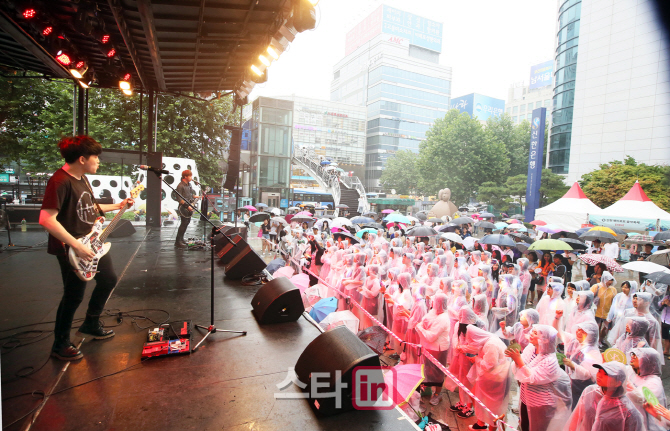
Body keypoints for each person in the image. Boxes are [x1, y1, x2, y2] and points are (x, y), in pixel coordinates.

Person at [39, 136, 135, 360]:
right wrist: (76, 246)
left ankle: (91, 322)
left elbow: (90, 207)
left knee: (109, 279)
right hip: (72, 248)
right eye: (96, 158)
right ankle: (60, 343)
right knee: (73, 295)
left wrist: (118, 206)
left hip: (92, 243)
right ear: (82, 159)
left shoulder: (81, 178)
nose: (98, 162)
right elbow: (46, 219)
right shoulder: (60, 181)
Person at [506, 324, 572, 431]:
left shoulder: (550, 361)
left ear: (545, 340)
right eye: (532, 331)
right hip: (526, 397)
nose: (531, 333)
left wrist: (518, 360)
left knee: (537, 428)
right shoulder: (532, 348)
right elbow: (520, 371)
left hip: (540, 403)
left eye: (535, 333)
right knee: (525, 425)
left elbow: (532, 378)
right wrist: (517, 360)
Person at [565, 361, 645, 431]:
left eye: (606, 374)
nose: (599, 375)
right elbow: (576, 417)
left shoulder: (627, 410)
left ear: (618, 382)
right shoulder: (590, 392)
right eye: (599, 371)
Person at [460, 325, 511, 430]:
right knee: (475, 396)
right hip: (492, 376)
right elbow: (475, 348)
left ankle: (491, 428)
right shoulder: (487, 339)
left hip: (494, 378)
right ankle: (480, 424)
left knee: (493, 406)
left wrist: (476, 359)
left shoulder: (490, 344)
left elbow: (490, 365)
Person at [415, 292, 451, 406]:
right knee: (428, 369)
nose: (432, 303)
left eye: (435, 301)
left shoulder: (444, 318)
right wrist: (422, 326)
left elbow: (430, 336)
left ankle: (438, 394)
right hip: (429, 348)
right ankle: (427, 389)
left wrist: (420, 327)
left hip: (438, 349)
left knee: (438, 372)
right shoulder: (433, 312)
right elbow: (424, 321)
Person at [625, 347, 666, 431]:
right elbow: (621, 370)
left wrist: (625, 382)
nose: (632, 357)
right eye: (632, 355)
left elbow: (639, 398)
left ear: (647, 361)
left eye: (636, 356)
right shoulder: (633, 372)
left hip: (651, 425)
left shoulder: (654, 382)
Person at [590, 271, 617, 346]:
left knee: (606, 328)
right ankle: (595, 341)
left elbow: (615, 301)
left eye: (611, 280)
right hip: (597, 311)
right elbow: (590, 296)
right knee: (596, 327)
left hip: (607, 312)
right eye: (609, 280)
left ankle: (601, 340)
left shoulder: (613, 290)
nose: (610, 282)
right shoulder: (597, 286)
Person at [175, 169, 200, 247]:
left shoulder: (189, 185)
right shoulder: (180, 186)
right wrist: (187, 206)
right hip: (183, 207)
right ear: (185, 176)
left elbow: (190, 195)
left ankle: (181, 239)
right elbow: (179, 199)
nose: (191, 177)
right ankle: (177, 241)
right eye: (190, 176)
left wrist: (196, 197)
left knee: (186, 223)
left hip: (189, 206)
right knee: (183, 223)